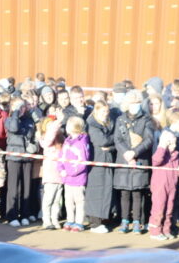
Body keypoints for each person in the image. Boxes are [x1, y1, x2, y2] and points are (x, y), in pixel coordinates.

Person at [113, 89, 154, 234]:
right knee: (124, 193)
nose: (135, 105)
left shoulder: (146, 120)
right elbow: (117, 139)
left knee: (137, 193)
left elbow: (149, 139)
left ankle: (137, 221)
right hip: (124, 161)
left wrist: (135, 152)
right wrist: (126, 153)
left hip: (140, 160)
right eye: (132, 102)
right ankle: (124, 221)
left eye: (137, 102)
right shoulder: (120, 119)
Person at [4, 98, 36, 226]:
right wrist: (16, 113)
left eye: (22, 106)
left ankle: (24, 214)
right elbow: (14, 128)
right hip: (13, 157)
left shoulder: (29, 120)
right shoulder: (9, 120)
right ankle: (12, 216)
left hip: (27, 156)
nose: (21, 109)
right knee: (13, 187)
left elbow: (33, 135)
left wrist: (34, 146)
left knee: (26, 187)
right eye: (17, 106)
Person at [84, 101, 116, 233]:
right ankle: (94, 223)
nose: (105, 114)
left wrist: (110, 147)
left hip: (106, 160)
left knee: (106, 190)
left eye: (107, 111)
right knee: (95, 192)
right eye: (103, 111)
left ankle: (103, 219)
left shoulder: (109, 123)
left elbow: (109, 144)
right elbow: (102, 141)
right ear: (96, 111)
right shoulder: (92, 125)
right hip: (96, 162)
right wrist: (115, 138)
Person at [147, 130, 179, 240]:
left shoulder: (176, 157)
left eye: (174, 143)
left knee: (169, 209)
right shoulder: (160, 154)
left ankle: (166, 230)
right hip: (160, 187)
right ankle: (155, 231)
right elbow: (156, 160)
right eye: (170, 143)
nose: (174, 145)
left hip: (172, 186)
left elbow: (177, 173)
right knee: (158, 208)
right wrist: (162, 146)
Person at [58, 116, 90, 231]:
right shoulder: (67, 142)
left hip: (78, 178)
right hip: (67, 179)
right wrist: (61, 169)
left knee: (79, 201)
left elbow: (83, 162)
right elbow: (61, 156)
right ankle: (70, 220)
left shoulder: (82, 143)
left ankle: (79, 222)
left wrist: (70, 172)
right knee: (68, 201)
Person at [38, 116, 64, 230]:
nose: (52, 126)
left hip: (60, 173)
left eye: (53, 124)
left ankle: (55, 219)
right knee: (48, 199)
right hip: (50, 173)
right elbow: (49, 137)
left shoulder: (60, 138)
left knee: (57, 200)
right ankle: (46, 220)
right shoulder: (45, 138)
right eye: (49, 124)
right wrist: (57, 123)